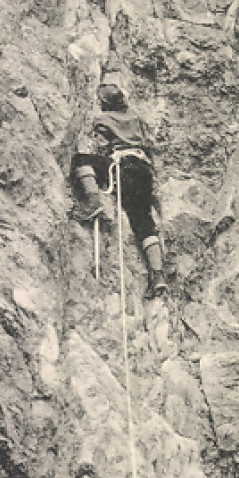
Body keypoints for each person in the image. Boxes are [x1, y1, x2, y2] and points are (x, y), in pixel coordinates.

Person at [71, 63, 168, 300]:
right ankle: (157, 275)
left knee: (81, 160)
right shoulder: (135, 119)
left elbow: (98, 145)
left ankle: (93, 202)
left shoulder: (104, 119)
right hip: (143, 172)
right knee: (142, 219)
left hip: (121, 166)